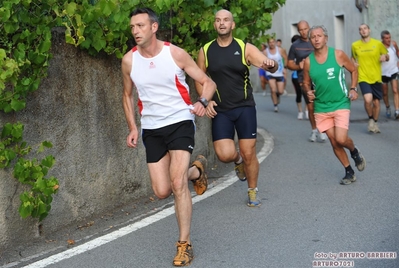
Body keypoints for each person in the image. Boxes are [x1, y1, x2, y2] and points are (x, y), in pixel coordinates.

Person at [121, 7, 216, 267]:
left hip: (180, 122)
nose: (135, 31)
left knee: (177, 184)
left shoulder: (174, 54)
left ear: (153, 27)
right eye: (132, 27)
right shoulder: (129, 60)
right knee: (162, 190)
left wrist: (203, 101)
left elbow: (208, 82)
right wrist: (132, 127)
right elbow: (127, 95)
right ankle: (196, 171)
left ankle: (184, 245)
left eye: (140, 26)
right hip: (151, 128)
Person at [195, 9, 278, 207]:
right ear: (214, 25)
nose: (222, 23)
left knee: (250, 153)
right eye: (218, 20)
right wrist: (206, 100)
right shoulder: (205, 51)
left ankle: (252, 191)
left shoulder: (244, 48)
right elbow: (199, 78)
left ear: (232, 25)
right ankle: (238, 160)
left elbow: (269, 66)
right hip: (220, 109)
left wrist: (271, 64)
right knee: (224, 154)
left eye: (226, 20)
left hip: (244, 108)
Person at [303, 25, 366, 185]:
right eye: (313, 37)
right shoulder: (308, 61)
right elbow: (305, 82)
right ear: (310, 40)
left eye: (319, 36)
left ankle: (354, 151)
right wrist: (308, 91)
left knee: (341, 138)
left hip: (340, 103)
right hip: (321, 107)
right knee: (333, 140)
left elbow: (353, 70)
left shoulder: (338, 55)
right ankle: (349, 171)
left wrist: (353, 88)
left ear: (326, 38)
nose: (316, 39)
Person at [287, 20, 327, 142]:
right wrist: (298, 66)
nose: (304, 32)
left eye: (305, 29)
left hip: (319, 78)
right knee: (310, 107)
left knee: (320, 105)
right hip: (304, 80)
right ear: (298, 31)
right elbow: (289, 63)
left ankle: (322, 129)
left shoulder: (315, 41)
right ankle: (314, 130)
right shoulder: (295, 46)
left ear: (309, 28)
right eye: (301, 30)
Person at [351, 24, 389, 133]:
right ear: (359, 32)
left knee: (376, 103)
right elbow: (353, 58)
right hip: (363, 77)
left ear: (369, 30)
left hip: (376, 77)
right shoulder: (355, 45)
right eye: (360, 29)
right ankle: (371, 119)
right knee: (368, 100)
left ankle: (374, 122)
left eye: (365, 29)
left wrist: (384, 57)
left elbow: (387, 55)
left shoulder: (377, 44)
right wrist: (354, 63)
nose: (363, 31)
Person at [265, 37, 288, 112]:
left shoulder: (280, 50)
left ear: (275, 42)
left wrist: (285, 68)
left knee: (280, 91)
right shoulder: (266, 52)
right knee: (273, 89)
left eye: (272, 42)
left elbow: (285, 58)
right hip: (270, 73)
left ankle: (278, 95)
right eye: (270, 42)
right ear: (268, 43)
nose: (271, 44)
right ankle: (275, 105)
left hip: (279, 73)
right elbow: (262, 60)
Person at [380, 30, 399, 119]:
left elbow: (398, 53)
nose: (389, 40)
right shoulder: (379, 47)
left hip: (393, 70)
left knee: (395, 90)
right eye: (386, 38)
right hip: (383, 73)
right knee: (384, 92)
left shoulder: (393, 44)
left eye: (389, 37)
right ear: (382, 39)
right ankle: (388, 107)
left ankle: (397, 111)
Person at [290, 34, 308, 119]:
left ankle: (307, 110)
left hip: (305, 75)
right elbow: (289, 64)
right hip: (295, 76)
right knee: (299, 94)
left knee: (307, 93)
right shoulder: (292, 51)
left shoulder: (304, 51)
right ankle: (300, 111)